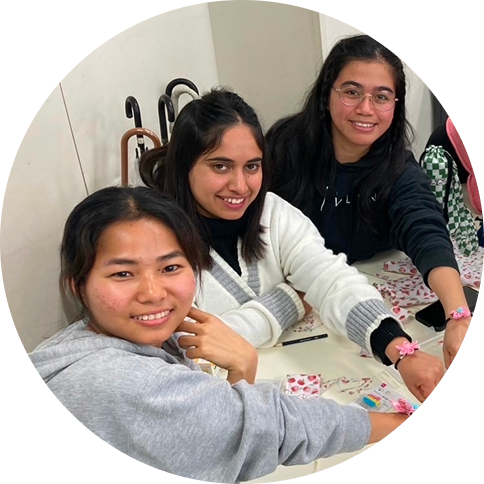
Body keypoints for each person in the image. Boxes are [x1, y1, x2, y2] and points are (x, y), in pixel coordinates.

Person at [29, 186, 408, 483]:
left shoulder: (274, 212)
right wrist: (394, 424)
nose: (153, 293)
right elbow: (274, 428)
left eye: (170, 267)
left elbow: (223, 426)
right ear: (78, 286)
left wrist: (243, 368)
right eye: (123, 274)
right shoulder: (121, 381)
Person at [138, 87, 444, 403]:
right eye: (221, 166)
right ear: (185, 165)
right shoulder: (152, 241)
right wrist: (291, 299)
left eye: (252, 166)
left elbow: (333, 281)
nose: (240, 186)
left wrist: (401, 350)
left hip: (282, 383)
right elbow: (182, 346)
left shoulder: (273, 213)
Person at [265, 34, 471, 369]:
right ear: (326, 94)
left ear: (396, 105)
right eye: (351, 92)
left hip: (367, 313)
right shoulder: (284, 148)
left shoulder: (399, 169)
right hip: (291, 305)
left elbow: (426, 232)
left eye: (382, 97)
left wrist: (458, 315)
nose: (365, 109)